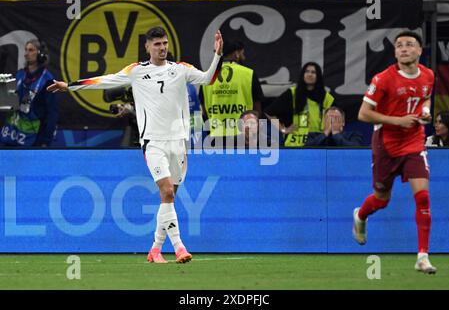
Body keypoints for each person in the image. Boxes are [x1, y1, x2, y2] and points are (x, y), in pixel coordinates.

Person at [48, 26, 224, 264]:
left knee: (170, 197)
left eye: (164, 43)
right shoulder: (136, 71)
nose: (162, 48)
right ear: (147, 47)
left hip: (178, 141)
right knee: (167, 191)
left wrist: (218, 55)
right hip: (153, 142)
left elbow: (208, 78)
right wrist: (69, 85)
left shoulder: (181, 69)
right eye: (157, 44)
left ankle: (154, 249)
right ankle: (180, 247)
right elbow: (103, 81)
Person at [353, 31, 437, 274]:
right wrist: (397, 121)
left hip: (414, 143)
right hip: (386, 143)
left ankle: (422, 257)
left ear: (420, 50)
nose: (403, 48)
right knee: (381, 200)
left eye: (409, 44)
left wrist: (426, 111)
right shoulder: (383, 79)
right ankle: (360, 215)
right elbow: (363, 114)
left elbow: (426, 98)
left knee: (422, 198)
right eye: (399, 45)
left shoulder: (429, 76)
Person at [199, 39, 264, 147]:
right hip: (244, 135)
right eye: (242, 54)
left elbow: (204, 109)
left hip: (216, 136)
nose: (244, 57)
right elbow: (257, 109)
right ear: (236, 54)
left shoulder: (207, 76)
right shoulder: (248, 74)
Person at [0, 39, 58, 147]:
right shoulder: (20, 74)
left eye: (31, 50)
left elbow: (51, 114)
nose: (26, 54)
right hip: (9, 135)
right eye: (26, 50)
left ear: (40, 54)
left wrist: (45, 141)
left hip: (31, 140)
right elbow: (9, 103)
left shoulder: (47, 80)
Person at [265, 62, 334, 147]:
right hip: (295, 145)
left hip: (320, 144)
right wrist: (283, 130)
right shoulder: (292, 94)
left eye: (313, 72)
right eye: (307, 71)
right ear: (303, 75)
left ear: (318, 76)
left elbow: (336, 119)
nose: (310, 74)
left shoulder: (327, 98)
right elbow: (269, 112)